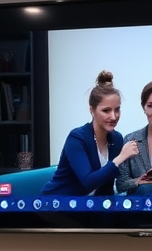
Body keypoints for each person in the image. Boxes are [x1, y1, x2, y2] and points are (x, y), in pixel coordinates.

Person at [41, 69, 139, 197]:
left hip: (89, 210)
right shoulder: (77, 138)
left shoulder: (116, 138)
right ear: (92, 110)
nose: (114, 116)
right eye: (106, 110)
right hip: (56, 207)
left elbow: (106, 188)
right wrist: (120, 158)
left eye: (117, 110)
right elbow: (88, 181)